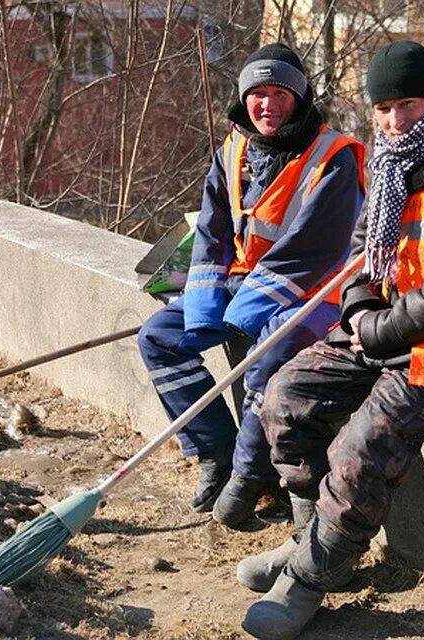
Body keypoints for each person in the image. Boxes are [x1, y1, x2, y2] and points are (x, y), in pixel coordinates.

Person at [238, 40, 424, 640]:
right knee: (284, 396)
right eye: (383, 109)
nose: (394, 120)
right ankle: (314, 542)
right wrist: (357, 308)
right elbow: (363, 255)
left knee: (364, 444)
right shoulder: (392, 161)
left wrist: (377, 329)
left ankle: (307, 580)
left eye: (406, 104)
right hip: (391, 333)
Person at [137, 43, 364, 529]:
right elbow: (211, 233)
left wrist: (243, 306)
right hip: (246, 287)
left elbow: (312, 250)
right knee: (159, 337)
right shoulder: (233, 150)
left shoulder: (335, 158)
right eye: (257, 94)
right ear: (244, 100)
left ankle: (250, 473)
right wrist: (202, 308)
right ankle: (215, 450)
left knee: (270, 354)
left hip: (314, 294)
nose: (267, 105)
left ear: (299, 99)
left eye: (279, 93)